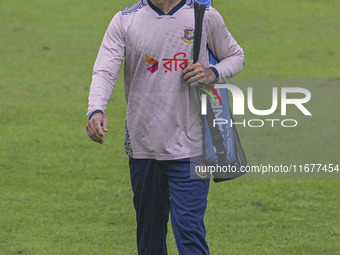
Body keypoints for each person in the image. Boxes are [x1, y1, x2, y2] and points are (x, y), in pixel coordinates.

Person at [86, 0, 244, 254]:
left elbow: (235, 56)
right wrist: (96, 108)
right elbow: (105, 70)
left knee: (190, 231)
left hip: (193, 148)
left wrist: (212, 72)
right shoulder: (126, 20)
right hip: (143, 146)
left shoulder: (204, 16)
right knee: (149, 234)